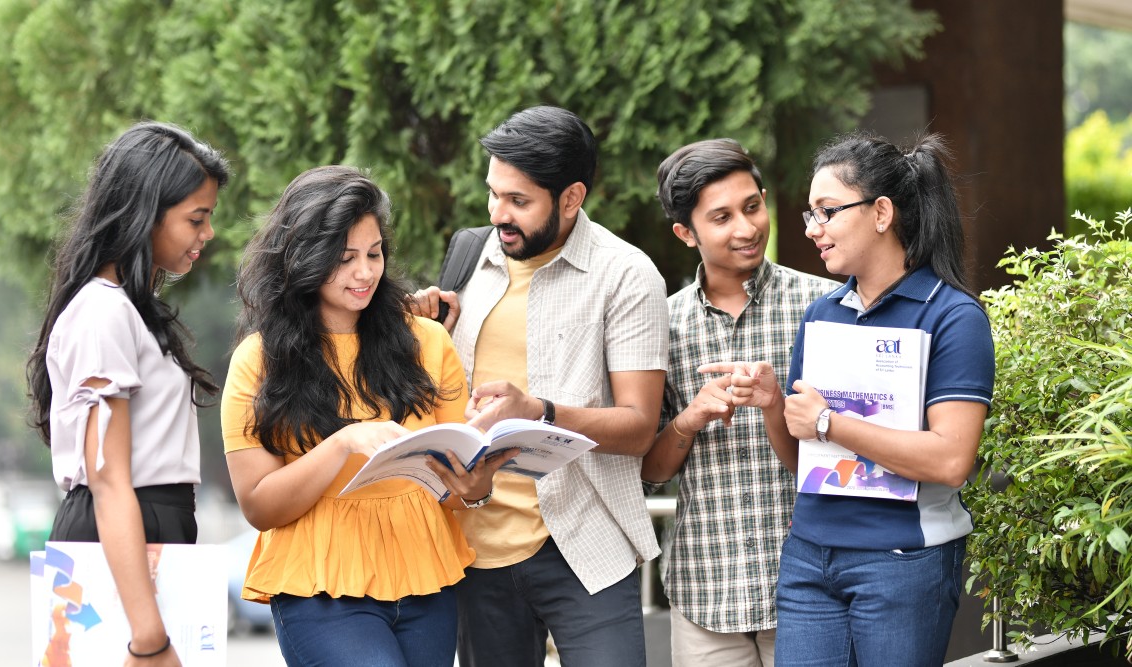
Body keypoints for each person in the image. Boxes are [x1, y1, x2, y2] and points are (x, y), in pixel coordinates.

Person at [717, 132, 996, 665]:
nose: (813, 230)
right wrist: (775, 402)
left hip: (903, 561)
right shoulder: (823, 313)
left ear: (882, 212)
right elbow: (805, 458)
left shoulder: (953, 317)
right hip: (808, 558)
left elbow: (952, 460)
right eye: (809, 215)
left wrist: (831, 423)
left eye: (827, 211)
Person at [221, 165, 514, 667]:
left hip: (426, 579)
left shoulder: (427, 342)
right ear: (303, 258)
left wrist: (475, 489)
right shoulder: (259, 359)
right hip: (320, 587)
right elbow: (258, 505)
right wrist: (342, 443)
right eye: (344, 257)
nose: (365, 273)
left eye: (374, 254)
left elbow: (454, 478)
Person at [409, 105, 669, 667]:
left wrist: (539, 411)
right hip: (474, 544)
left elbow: (639, 427)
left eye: (519, 201)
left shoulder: (626, 274)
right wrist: (424, 335)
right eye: (493, 194)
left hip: (583, 542)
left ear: (572, 198)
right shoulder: (467, 257)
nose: (499, 214)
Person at [27, 120, 230, 665]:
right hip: (118, 531)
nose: (207, 234)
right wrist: (149, 639)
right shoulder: (104, 312)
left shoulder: (127, 310)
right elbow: (109, 477)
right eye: (196, 218)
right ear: (146, 211)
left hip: (144, 531)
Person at [641, 139, 838, 667]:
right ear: (686, 233)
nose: (746, 228)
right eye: (722, 217)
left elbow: (842, 456)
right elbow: (650, 472)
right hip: (706, 588)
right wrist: (689, 418)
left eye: (753, 207)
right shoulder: (661, 324)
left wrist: (776, 406)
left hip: (810, 584)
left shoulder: (824, 307)